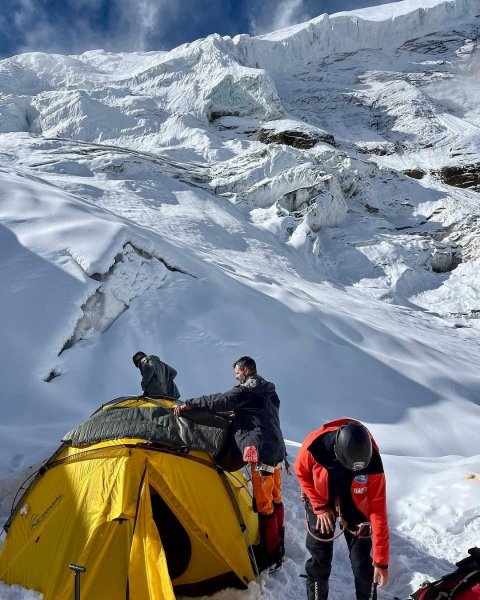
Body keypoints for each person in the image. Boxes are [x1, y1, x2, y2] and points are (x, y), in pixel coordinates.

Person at [173, 356, 287, 570]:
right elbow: (258, 414)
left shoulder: (248, 389)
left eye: (238, 372)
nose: (236, 375)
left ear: (248, 370)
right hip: (276, 450)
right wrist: (239, 414)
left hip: (261, 452)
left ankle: (270, 554)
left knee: (264, 504)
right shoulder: (267, 390)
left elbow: (220, 399)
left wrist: (190, 405)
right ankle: (279, 546)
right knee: (275, 498)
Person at [294, 418, 389, 600]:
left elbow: (378, 511)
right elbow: (301, 473)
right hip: (320, 495)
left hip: (355, 499)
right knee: (320, 557)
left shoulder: (373, 461)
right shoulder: (315, 446)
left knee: (362, 562)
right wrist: (319, 507)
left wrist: (381, 562)